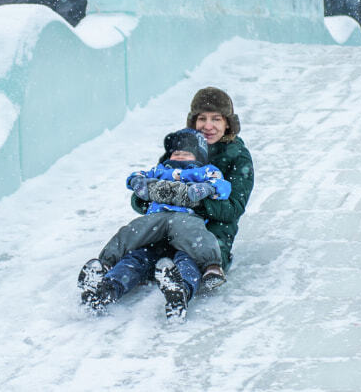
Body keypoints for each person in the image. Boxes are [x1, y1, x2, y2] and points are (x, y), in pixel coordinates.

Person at [78, 87, 254, 319]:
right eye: (202, 118)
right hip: (166, 224)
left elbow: (233, 208)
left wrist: (195, 203)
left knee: (188, 258)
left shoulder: (237, 157)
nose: (208, 125)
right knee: (140, 255)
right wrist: (155, 195)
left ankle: (179, 289)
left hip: (211, 231)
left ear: (228, 123)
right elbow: (143, 195)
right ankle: (106, 289)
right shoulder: (182, 149)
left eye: (216, 119)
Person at [81, 128, 231, 315]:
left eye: (186, 153)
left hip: (185, 218)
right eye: (176, 152)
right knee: (133, 240)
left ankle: (201, 274)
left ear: (198, 156)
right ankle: (106, 284)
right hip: (155, 218)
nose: (180, 156)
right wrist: (138, 182)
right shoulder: (160, 170)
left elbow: (223, 186)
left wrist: (206, 188)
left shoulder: (205, 170)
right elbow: (136, 175)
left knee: (193, 245)